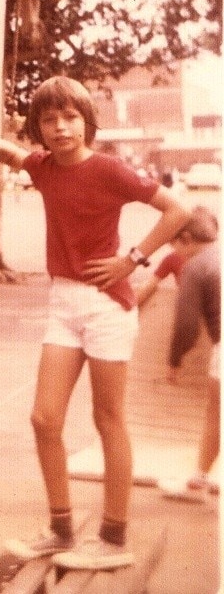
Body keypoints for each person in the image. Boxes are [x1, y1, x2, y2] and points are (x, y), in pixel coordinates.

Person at [0, 76, 189, 571]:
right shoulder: (44, 167)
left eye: (70, 118)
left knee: (109, 421)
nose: (60, 128)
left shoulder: (108, 169)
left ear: (87, 122)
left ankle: (112, 537)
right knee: (44, 418)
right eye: (49, 120)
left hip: (107, 306)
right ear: (39, 127)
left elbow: (177, 209)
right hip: (63, 303)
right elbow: (18, 156)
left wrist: (132, 259)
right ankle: (60, 527)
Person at [157, 206, 220, 501]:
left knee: (215, 414)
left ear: (185, 238)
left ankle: (199, 481)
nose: (174, 251)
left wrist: (174, 361)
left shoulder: (196, 266)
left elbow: (186, 325)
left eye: (173, 243)